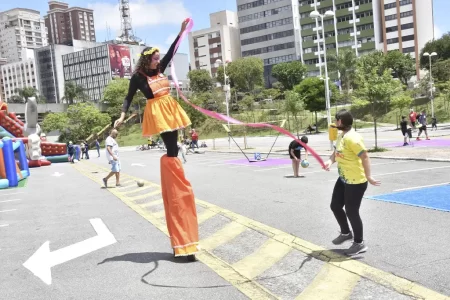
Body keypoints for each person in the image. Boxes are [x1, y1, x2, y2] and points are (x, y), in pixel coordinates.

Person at [114, 20, 198, 262]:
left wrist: (181, 32)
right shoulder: (138, 78)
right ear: (146, 60)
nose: (158, 61)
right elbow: (128, 99)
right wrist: (121, 115)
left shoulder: (160, 69)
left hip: (169, 106)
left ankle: (174, 157)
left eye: (158, 59)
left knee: (173, 147)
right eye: (154, 59)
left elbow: (172, 51)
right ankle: (173, 158)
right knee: (170, 148)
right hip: (157, 111)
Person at [323, 109, 380, 256]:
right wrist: (330, 161)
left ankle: (359, 243)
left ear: (341, 122)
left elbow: (365, 157)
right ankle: (346, 233)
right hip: (343, 178)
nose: (335, 122)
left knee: (351, 211)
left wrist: (369, 176)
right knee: (335, 206)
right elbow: (336, 153)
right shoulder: (341, 136)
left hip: (356, 181)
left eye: (336, 120)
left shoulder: (352, 138)